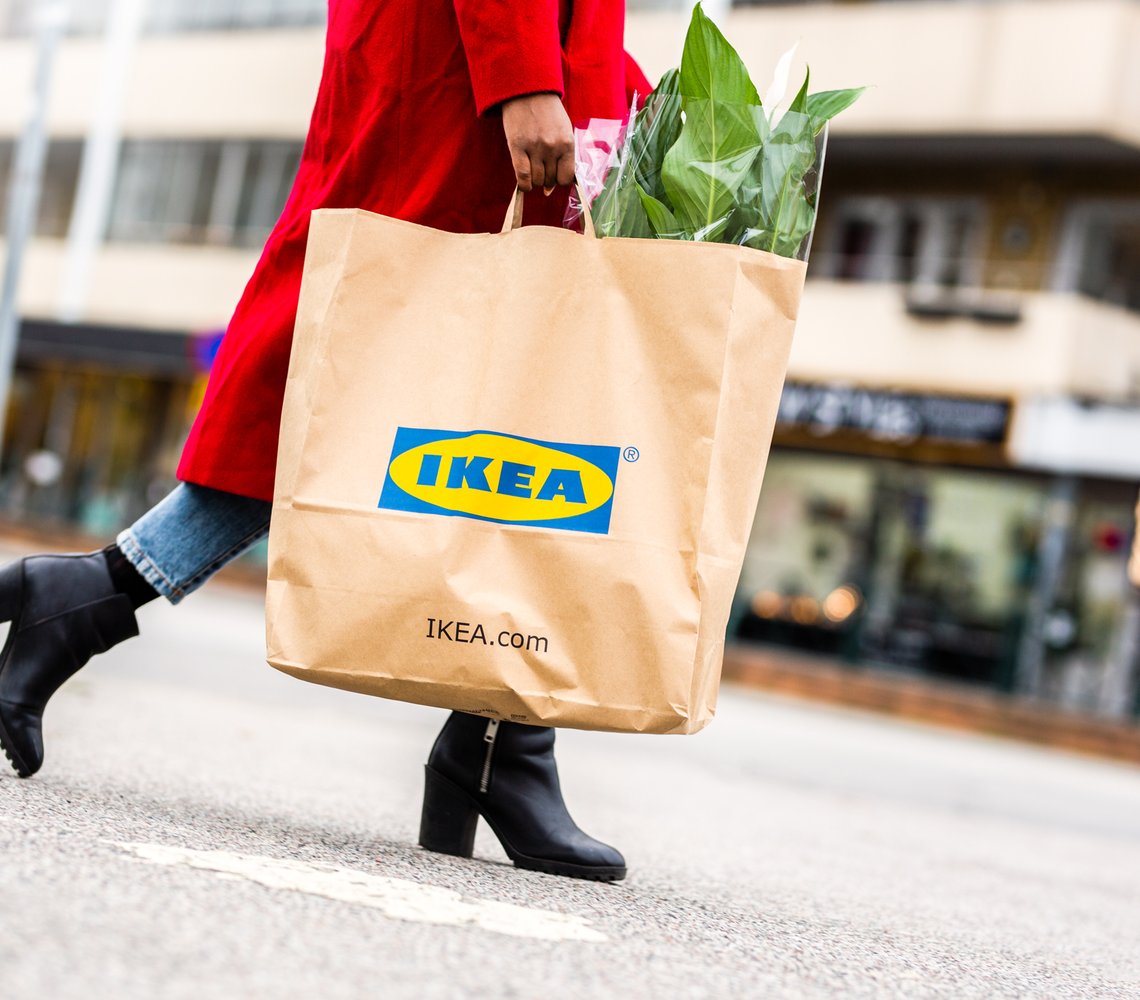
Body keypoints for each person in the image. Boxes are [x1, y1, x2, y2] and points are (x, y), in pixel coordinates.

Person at [0, 0, 650, 883]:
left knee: (473, 396)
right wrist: (527, 77)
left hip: (502, 56)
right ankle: (495, 750)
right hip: (473, 65)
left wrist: (599, 84)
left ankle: (84, 600)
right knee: (386, 382)